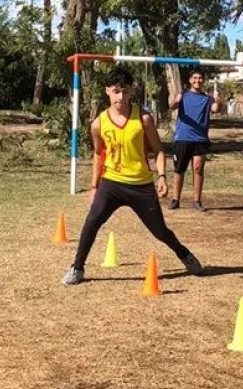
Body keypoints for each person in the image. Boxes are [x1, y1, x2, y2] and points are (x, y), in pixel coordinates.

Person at [62, 66, 204, 285]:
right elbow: (99, 154)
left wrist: (162, 177)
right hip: (112, 184)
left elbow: (158, 150)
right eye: (116, 91)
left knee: (159, 231)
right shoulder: (98, 124)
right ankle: (77, 268)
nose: (121, 96)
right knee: (91, 222)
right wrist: (94, 187)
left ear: (131, 92)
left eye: (126, 91)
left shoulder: (143, 119)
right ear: (107, 91)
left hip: (141, 185)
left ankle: (184, 254)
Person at [168, 69, 221, 212]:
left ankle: (197, 201)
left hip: (200, 139)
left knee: (198, 168)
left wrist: (218, 100)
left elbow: (215, 109)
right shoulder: (183, 95)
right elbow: (172, 106)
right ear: (190, 80)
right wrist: (176, 99)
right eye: (195, 78)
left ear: (203, 80)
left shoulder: (207, 99)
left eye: (200, 78)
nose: (198, 80)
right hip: (182, 137)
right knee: (179, 169)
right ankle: (175, 199)